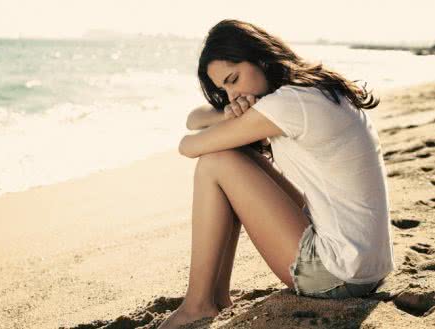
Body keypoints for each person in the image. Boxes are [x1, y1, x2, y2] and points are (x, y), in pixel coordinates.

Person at [157, 19, 395, 329]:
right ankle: (213, 298)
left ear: (260, 57)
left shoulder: (288, 105)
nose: (231, 94)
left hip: (338, 274)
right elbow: (194, 119)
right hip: (366, 265)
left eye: (234, 79)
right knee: (233, 155)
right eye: (223, 88)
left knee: (216, 161)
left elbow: (189, 145)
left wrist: (238, 116)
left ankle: (198, 304)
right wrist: (231, 112)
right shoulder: (309, 90)